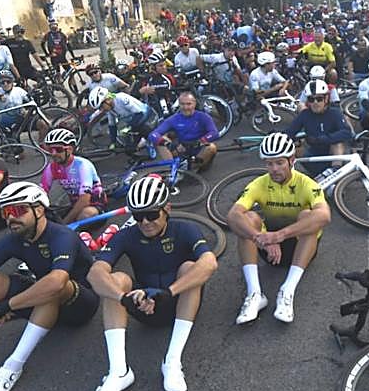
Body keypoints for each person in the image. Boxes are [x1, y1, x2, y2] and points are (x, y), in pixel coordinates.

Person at [83, 176, 217, 391]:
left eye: (152, 214)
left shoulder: (185, 229)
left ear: (167, 208)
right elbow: (95, 273)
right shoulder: (126, 235)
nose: (144, 222)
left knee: (189, 267)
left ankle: (172, 361)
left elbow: (209, 263)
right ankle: (119, 372)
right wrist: (123, 297)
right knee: (116, 279)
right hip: (142, 304)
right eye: (137, 216)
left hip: (177, 300)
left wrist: (169, 292)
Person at [0, 181, 99, 391]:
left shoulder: (62, 235)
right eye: (6, 212)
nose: (10, 218)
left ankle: (13, 367)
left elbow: (57, 281)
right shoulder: (14, 238)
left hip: (80, 303)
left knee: (52, 285)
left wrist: (7, 306)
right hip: (45, 301)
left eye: (18, 210)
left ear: (39, 210)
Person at [228, 132, 331, 325]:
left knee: (308, 216)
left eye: (279, 163)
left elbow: (325, 216)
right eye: (269, 163)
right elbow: (233, 215)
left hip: (299, 247)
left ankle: (287, 291)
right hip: (269, 247)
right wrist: (260, 236)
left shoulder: (307, 184)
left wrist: (279, 236)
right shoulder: (259, 184)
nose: (274, 169)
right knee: (248, 218)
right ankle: (254, 294)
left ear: (292, 160)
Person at [285, 79, 353, 176]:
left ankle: (334, 172)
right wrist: (277, 136)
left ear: (326, 99)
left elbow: (347, 132)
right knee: (293, 148)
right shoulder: (305, 115)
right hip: (314, 154)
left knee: (338, 143)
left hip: (332, 155)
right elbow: (290, 132)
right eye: (311, 100)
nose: (315, 102)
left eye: (319, 99)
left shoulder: (334, 113)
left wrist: (323, 139)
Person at [39, 128, 105, 222]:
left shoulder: (83, 165)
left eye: (58, 149)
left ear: (69, 149)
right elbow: (41, 193)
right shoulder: (52, 168)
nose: (53, 153)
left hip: (93, 204)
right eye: (50, 149)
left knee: (86, 215)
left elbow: (85, 199)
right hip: (74, 205)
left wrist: (65, 223)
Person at [147, 90, 219, 170]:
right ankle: (173, 169)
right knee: (160, 141)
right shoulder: (174, 119)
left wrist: (200, 141)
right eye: (182, 104)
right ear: (179, 105)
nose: (185, 107)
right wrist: (168, 144)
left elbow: (214, 133)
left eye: (189, 104)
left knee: (211, 147)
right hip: (182, 149)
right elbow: (153, 135)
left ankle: (191, 168)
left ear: (194, 104)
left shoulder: (203, 117)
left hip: (199, 150)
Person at [88, 86, 158, 148]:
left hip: (148, 117)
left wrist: (128, 128)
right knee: (129, 148)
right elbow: (112, 125)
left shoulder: (121, 98)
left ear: (108, 99)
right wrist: (113, 142)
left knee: (142, 135)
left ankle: (149, 141)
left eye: (101, 106)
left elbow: (140, 114)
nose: (101, 110)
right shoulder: (110, 109)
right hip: (136, 124)